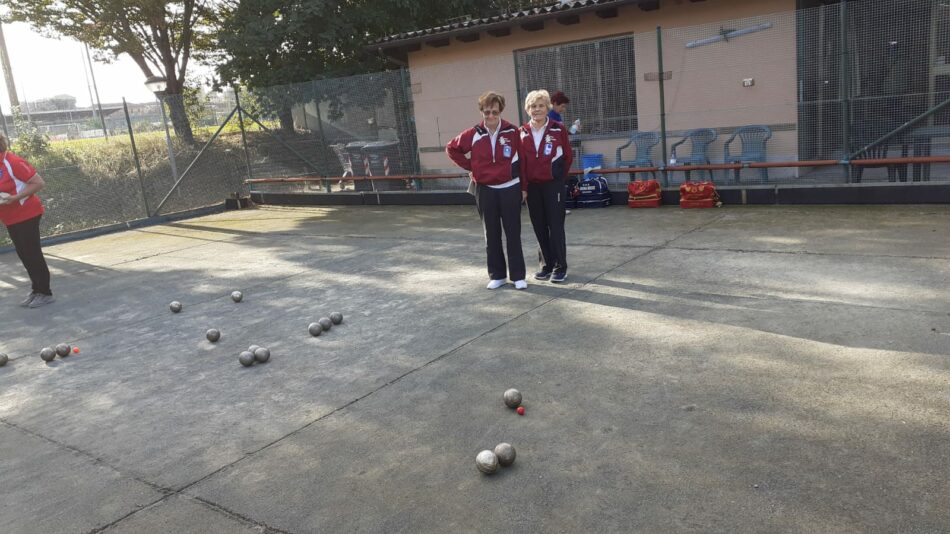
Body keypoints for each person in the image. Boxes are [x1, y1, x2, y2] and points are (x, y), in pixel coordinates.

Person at [446, 91, 527, 290]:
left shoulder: (512, 131)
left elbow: (523, 161)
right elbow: (451, 148)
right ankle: (497, 275)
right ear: (481, 112)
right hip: (485, 190)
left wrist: (524, 187)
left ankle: (518, 276)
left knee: (513, 233)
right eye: (487, 112)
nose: (490, 117)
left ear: (500, 112)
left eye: (494, 112)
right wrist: (471, 166)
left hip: (510, 188)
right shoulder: (473, 134)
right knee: (491, 234)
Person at [519, 90, 573, 284]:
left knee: (556, 226)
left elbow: (567, 157)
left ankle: (560, 267)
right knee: (539, 227)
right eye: (533, 106)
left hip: (553, 186)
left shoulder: (558, 129)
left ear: (547, 107)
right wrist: (523, 187)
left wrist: (557, 177)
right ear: (527, 109)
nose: (537, 110)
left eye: (541, 106)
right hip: (532, 187)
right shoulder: (522, 133)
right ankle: (546, 265)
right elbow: (521, 164)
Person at [0, 133, 54, 308]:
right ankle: (36, 289)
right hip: (10, 217)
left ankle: (45, 292)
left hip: (27, 213)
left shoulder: (12, 161)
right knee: (23, 254)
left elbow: (38, 183)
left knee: (32, 253)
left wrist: (16, 197)